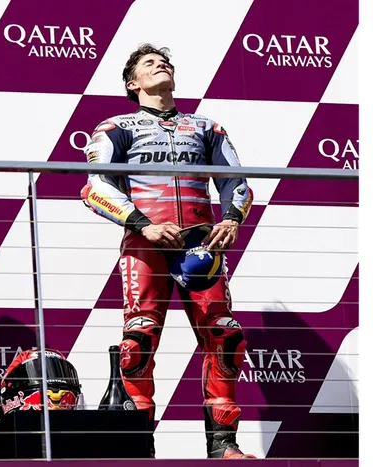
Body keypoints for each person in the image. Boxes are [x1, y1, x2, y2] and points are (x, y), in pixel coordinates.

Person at [79, 44, 255, 459]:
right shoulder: (116, 127)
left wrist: (232, 219)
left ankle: (223, 445)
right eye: (149, 63)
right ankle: (139, 447)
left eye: (165, 62)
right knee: (138, 341)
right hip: (146, 243)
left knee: (225, 335)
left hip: (200, 246)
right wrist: (144, 225)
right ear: (133, 83)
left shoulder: (207, 127)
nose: (161, 65)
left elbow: (236, 181)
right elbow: (95, 186)